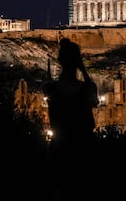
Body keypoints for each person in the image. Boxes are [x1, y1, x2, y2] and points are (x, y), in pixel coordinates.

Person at [43, 38, 99, 201]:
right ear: (78, 61)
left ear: (60, 61)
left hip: (59, 149)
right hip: (84, 149)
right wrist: (84, 71)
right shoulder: (88, 88)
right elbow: (93, 100)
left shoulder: (49, 88)